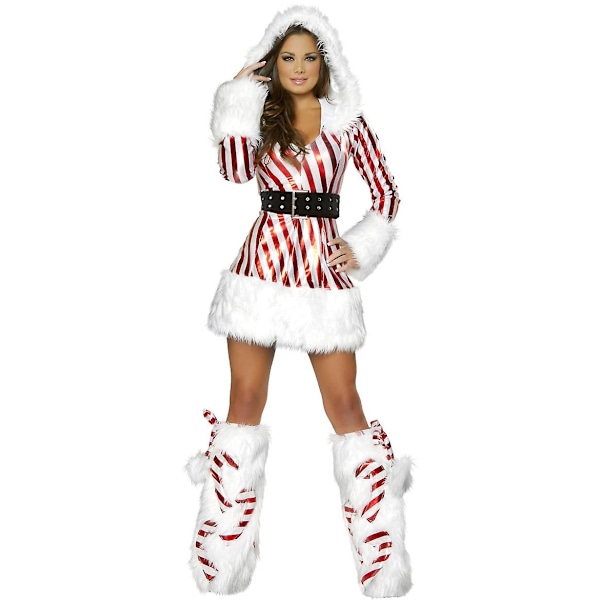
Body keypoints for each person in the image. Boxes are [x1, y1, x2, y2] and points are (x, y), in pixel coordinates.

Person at [186, 6, 413, 597]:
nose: (299, 67)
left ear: (325, 62)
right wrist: (238, 94)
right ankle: (221, 560)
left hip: (320, 275)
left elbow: (387, 194)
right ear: (273, 61)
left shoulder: (347, 121)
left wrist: (360, 247)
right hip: (260, 269)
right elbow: (233, 171)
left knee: (345, 403)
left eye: (310, 56)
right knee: (244, 400)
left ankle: (382, 562)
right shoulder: (261, 113)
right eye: (287, 56)